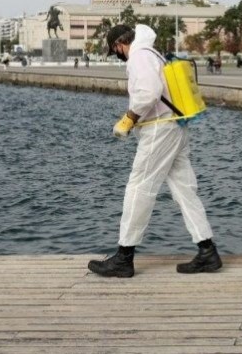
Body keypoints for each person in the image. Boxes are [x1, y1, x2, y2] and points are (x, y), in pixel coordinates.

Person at [89, 23, 222, 278]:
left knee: (139, 187)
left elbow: (150, 91)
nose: (117, 54)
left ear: (119, 45)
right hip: (176, 127)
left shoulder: (138, 56)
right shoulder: (153, 53)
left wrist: (129, 118)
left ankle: (124, 258)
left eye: (115, 50)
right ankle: (207, 251)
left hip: (159, 130)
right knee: (184, 189)